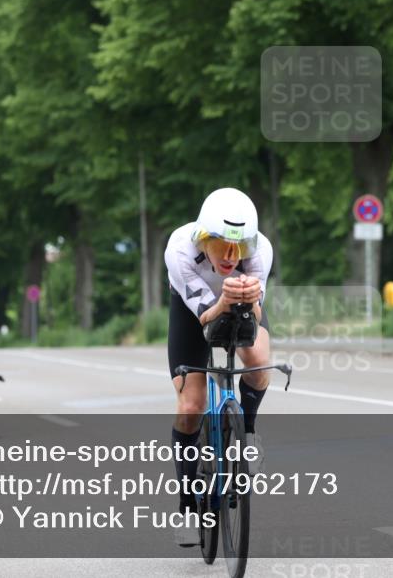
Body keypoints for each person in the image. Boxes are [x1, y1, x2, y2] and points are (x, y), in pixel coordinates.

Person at [164, 187, 273, 547]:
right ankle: (187, 507)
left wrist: (247, 300)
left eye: (239, 247)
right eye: (223, 244)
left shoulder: (260, 251)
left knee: (258, 363)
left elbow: (255, 316)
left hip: (239, 304)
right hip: (194, 310)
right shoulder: (180, 249)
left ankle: (248, 434)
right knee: (191, 407)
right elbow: (206, 319)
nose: (231, 256)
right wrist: (225, 298)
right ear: (203, 237)